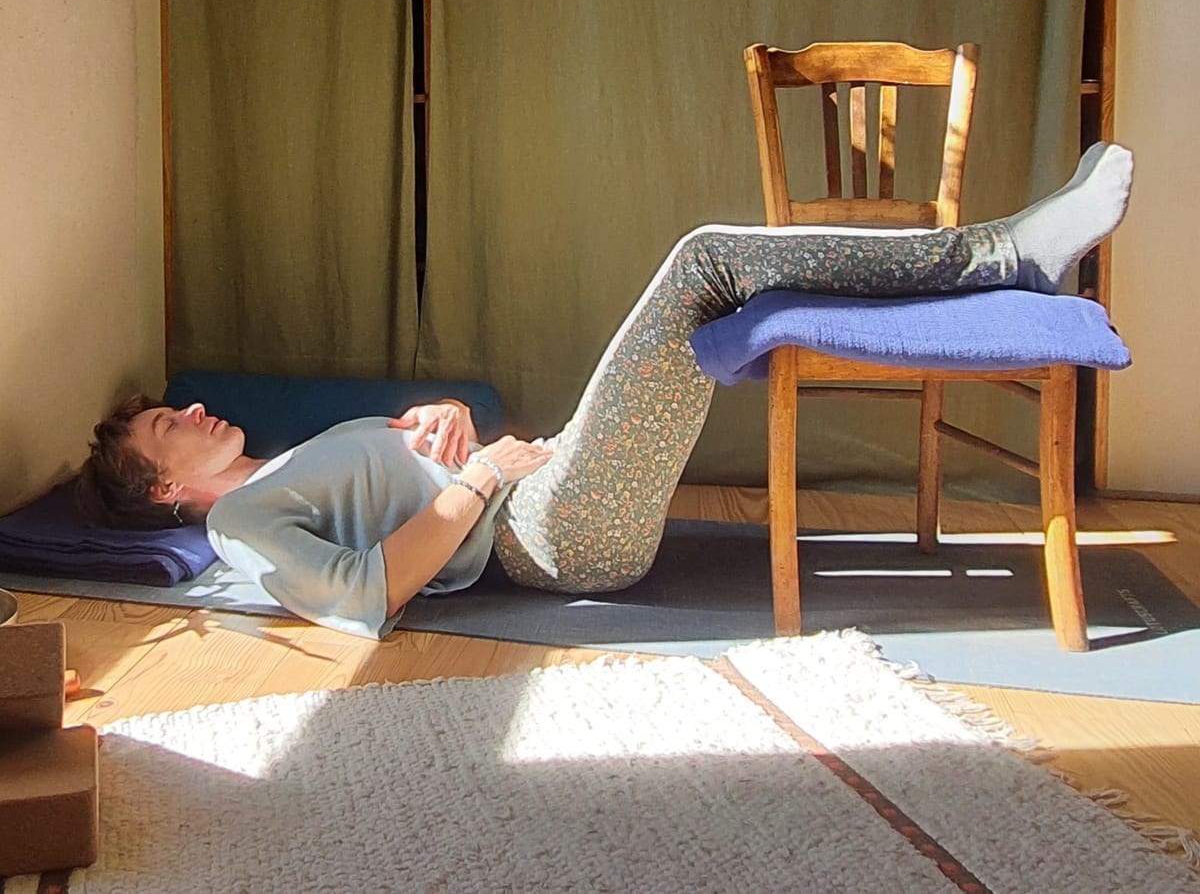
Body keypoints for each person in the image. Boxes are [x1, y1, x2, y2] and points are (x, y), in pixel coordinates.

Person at [77, 142, 1133, 640]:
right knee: (705, 263)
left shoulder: (282, 469)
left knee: (715, 295)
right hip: (552, 536)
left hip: (543, 500)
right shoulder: (241, 532)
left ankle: (997, 264)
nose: (195, 409)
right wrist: (485, 476)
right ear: (164, 491)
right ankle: (1003, 255)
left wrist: (456, 429)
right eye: (171, 426)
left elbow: (416, 493)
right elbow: (366, 595)